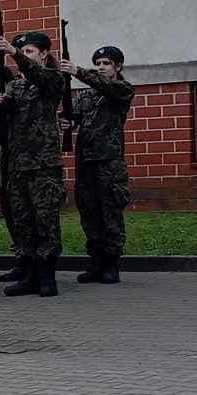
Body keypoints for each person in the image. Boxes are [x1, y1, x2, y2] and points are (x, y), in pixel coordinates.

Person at [0, 31, 67, 297]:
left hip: (42, 164)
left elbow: (38, 75)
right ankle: (30, 275)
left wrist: (13, 52)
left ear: (44, 54)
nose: (24, 56)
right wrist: (1, 105)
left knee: (45, 220)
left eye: (29, 52)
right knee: (23, 221)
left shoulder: (52, 79)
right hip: (17, 163)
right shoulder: (16, 86)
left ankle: (47, 276)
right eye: (22, 51)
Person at [66, 45, 135, 283]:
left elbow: (106, 86)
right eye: (98, 64)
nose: (101, 67)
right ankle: (96, 262)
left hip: (109, 162)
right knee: (89, 212)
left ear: (118, 66)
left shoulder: (122, 89)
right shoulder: (87, 96)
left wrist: (77, 71)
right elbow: (74, 116)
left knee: (110, 213)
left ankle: (111, 264)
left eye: (106, 63)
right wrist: (68, 122)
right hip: (86, 162)